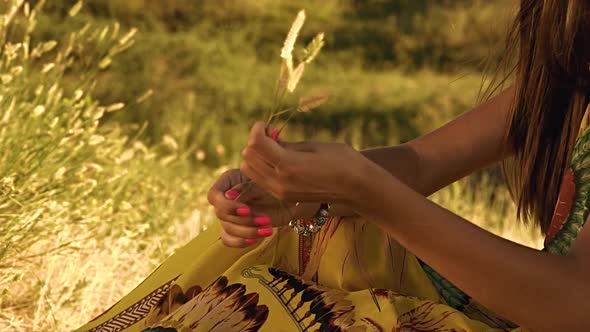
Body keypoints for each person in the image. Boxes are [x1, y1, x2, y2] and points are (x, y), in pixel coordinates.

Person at [77, 1, 590, 331]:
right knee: (305, 233)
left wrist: (370, 193)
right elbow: (421, 161)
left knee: (268, 304)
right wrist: (296, 185)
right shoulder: (569, 71)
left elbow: (576, 304)